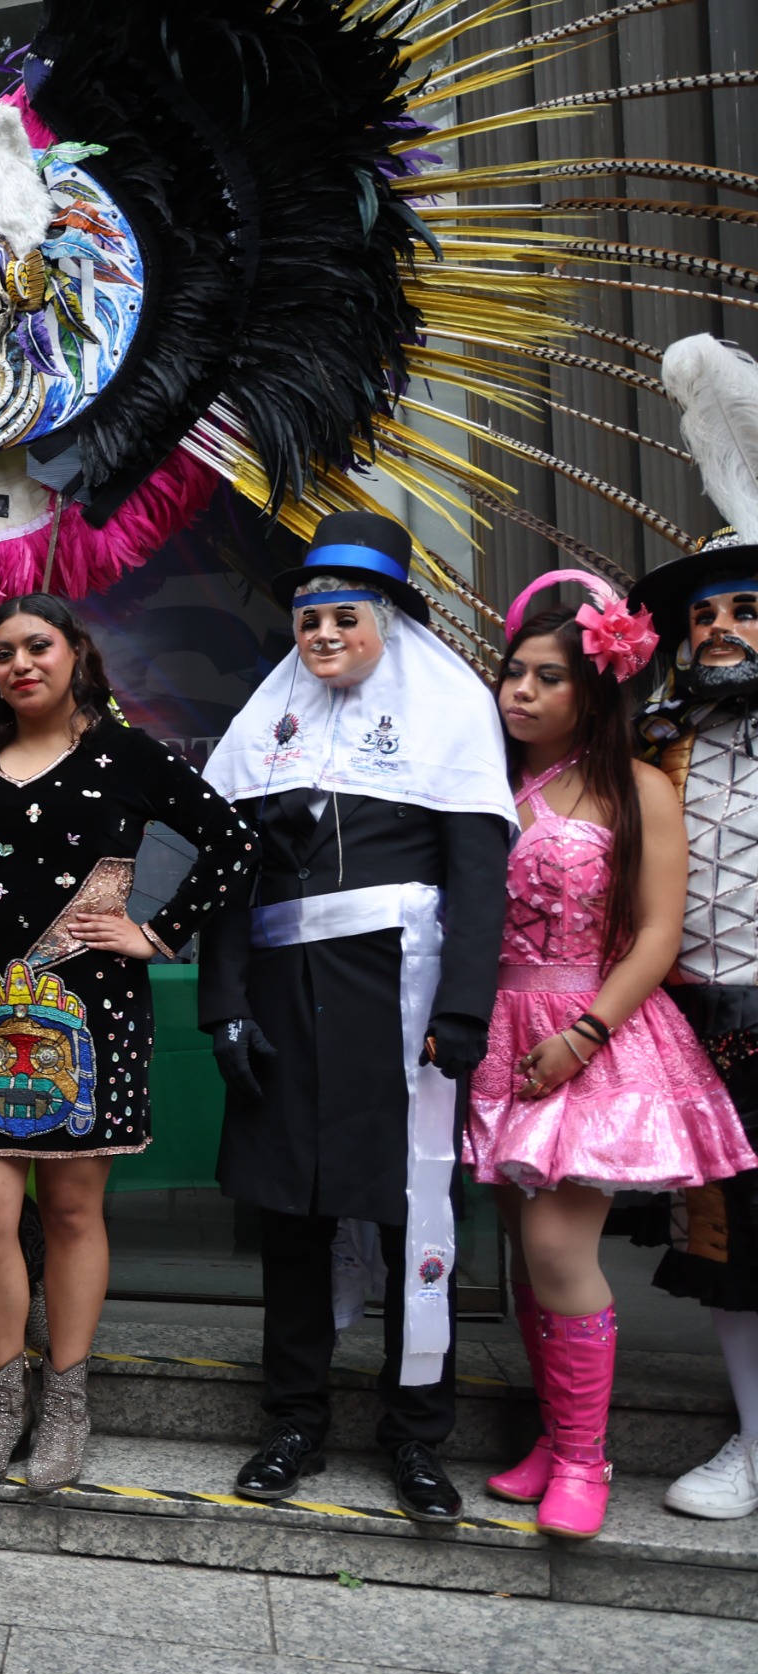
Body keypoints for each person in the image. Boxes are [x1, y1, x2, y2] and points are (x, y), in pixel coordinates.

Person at [200, 511, 517, 1523]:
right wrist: (223, 1009)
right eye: (307, 621)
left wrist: (463, 1009)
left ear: (389, 620)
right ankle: (291, 1420)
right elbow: (226, 883)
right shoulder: (269, 720)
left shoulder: (451, 713)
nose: (323, 636)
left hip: (403, 1001)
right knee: (290, 1220)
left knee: (412, 1214)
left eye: (343, 617)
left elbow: (479, 881)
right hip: (286, 1006)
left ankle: (416, 1436)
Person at [0, 598, 255, 1491]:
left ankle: (67, 1400)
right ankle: (3, 1399)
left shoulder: (126, 756)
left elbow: (233, 844)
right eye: (3, 653)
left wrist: (159, 932)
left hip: (95, 1014)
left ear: (76, 654)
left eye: (39, 646)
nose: (21, 663)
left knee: (69, 1213)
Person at [467, 571, 751, 1539]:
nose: (520, 691)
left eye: (546, 677)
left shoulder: (637, 787)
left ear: (593, 689)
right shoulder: (487, 783)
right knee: (521, 1247)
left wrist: (584, 1032)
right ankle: (553, 1437)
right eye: (512, 674)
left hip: (591, 1028)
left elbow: (659, 934)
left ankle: (587, 1458)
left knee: (557, 1247)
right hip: (495, 1031)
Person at [626, 337, 758, 1522]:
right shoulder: (659, 744)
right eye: (705, 612)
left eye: (742, 609)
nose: (718, 626)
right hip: (707, 1023)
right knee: (731, 1252)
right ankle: (752, 1443)